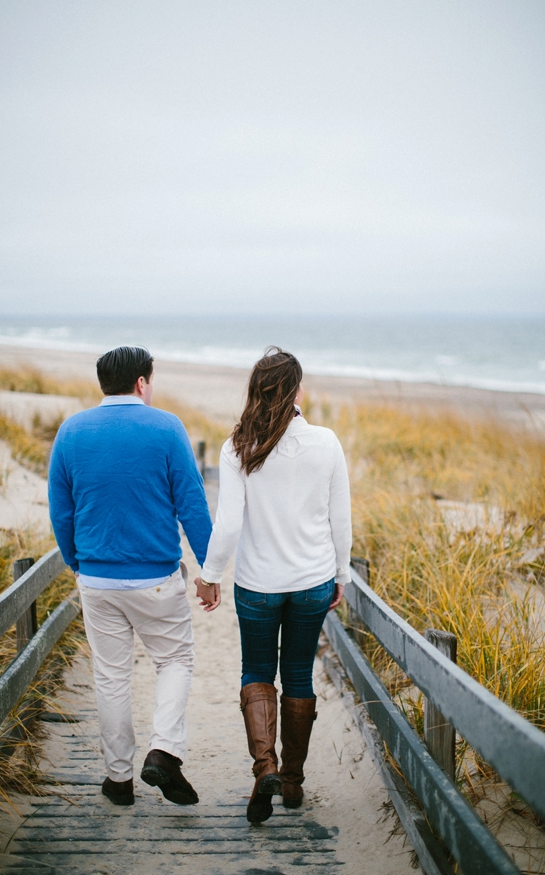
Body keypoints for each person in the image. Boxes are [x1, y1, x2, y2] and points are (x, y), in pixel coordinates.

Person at [48, 346, 212, 807]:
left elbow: (62, 508)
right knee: (175, 660)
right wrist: (209, 570)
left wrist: (77, 561)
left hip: (97, 579)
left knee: (112, 676)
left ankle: (118, 780)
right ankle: (163, 750)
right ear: (143, 382)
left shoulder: (72, 430)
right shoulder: (166, 427)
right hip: (156, 578)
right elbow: (192, 504)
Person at [196, 348, 351, 824]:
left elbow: (227, 525)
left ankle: (265, 767)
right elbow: (340, 519)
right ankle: (293, 783)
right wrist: (341, 574)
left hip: (258, 584)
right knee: (299, 676)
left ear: (256, 391)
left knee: (257, 672)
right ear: (298, 392)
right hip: (311, 582)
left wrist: (209, 575)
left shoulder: (239, 444)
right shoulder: (326, 443)